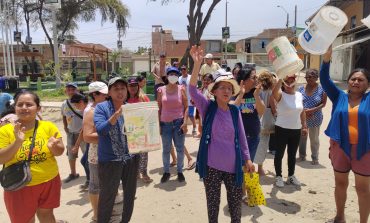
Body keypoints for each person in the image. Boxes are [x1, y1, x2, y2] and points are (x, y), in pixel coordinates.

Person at [189, 45, 254, 223]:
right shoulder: (207, 107)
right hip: (211, 167)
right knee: (213, 207)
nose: (226, 91)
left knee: (235, 208)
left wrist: (247, 158)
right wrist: (197, 65)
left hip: (234, 166)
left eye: (229, 88)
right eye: (222, 87)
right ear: (214, 91)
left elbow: (241, 136)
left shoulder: (234, 110)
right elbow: (192, 90)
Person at [321, 48, 370, 223]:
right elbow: (325, 80)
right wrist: (326, 60)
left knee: (363, 189)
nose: (356, 82)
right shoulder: (339, 96)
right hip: (339, 147)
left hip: (364, 150)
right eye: (353, 79)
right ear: (348, 81)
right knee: (340, 184)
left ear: (367, 84)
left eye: (361, 79)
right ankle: (340, 217)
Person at [0, 90, 65, 223]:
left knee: (47, 215)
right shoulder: (5, 131)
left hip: (49, 180)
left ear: (38, 108)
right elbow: (1, 159)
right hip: (19, 185)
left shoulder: (48, 127)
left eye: (29, 104)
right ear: (15, 107)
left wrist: (56, 147)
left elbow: (60, 151)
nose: (24, 108)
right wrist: (17, 142)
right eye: (20, 104)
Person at [94, 77, 140, 223]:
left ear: (127, 90)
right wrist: (117, 114)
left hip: (130, 159)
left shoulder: (132, 108)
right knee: (107, 197)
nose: (120, 92)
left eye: (122, 88)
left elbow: (139, 132)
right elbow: (101, 130)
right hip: (110, 161)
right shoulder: (101, 107)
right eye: (116, 89)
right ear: (109, 92)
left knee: (129, 195)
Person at [272, 73, 307, 188]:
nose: (289, 84)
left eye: (292, 81)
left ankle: (291, 175)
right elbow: (273, 93)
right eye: (287, 82)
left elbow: (302, 111)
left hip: (296, 129)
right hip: (281, 128)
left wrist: (304, 125)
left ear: (295, 82)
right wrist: (282, 77)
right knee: (279, 154)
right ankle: (278, 176)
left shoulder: (299, 95)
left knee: (292, 154)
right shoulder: (281, 95)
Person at [82, 81, 108, 222]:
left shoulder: (107, 107)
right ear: (94, 94)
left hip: (110, 153)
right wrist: (110, 134)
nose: (106, 95)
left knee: (108, 183)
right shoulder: (90, 111)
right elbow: (87, 136)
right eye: (102, 93)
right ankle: (96, 213)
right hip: (96, 155)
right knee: (95, 184)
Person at [157, 66, 188, 183]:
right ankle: (166, 172)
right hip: (165, 123)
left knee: (180, 148)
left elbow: (186, 107)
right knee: (166, 149)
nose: (173, 76)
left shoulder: (182, 89)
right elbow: (158, 108)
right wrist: (159, 124)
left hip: (179, 122)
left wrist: (185, 122)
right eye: (171, 74)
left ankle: (180, 171)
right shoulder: (161, 90)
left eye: (175, 74)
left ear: (178, 76)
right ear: (167, 76)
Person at [232, 68, 265, 162]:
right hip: (237, 136)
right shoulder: (234, 91)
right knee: (237, 164)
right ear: (244, 80)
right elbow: (231, 111)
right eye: (253, 77)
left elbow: (261, 112)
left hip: (253, 135)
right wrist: (241, 94)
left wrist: (256, 96)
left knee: (248, 164)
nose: (256, 79)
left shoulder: (256, 92)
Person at [126, 76, 153, 184]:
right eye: (130, 86)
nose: (133, 88)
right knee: (132, 153)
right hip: (129, 131)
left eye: (135, 85)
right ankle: (135, 172)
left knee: (143, 154)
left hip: (142, 130)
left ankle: (144, 172)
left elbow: (150, 113)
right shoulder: (124, 99)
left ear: (138, 86)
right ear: (127, 87)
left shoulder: (144, 97)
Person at [297, 69, 327, 165]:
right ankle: (302, 156)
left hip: (315, 118)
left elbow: (323, 103)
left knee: (314, 139)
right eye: (307, 77)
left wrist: (312, 110)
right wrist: (303, 111)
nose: (309, 78)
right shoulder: (301, 89)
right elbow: (297, 101)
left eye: (312, 76)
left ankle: (315, 157)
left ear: (317, 77)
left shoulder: (322, 89)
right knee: (302, 137)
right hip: (302, 117)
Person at [253, 71, 276, 175]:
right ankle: (260, 169)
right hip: (266, 120)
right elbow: (273, 108)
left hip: (256, 117)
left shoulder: (257, 91)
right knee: (263, 145)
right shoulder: (271, 91)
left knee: (255, 143)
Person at [61, 82, 84, 183]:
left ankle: (90, 175)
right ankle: (73, 173)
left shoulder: (82, 102)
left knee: (87, 154)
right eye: (68, 89)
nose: (70, 91)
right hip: (71, 132)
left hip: (83, 133)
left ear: (77, 90)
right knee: (71, 154)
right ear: (66, 91)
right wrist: (65, 128)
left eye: (73, 89)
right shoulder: (64, 104)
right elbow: (63, 116)